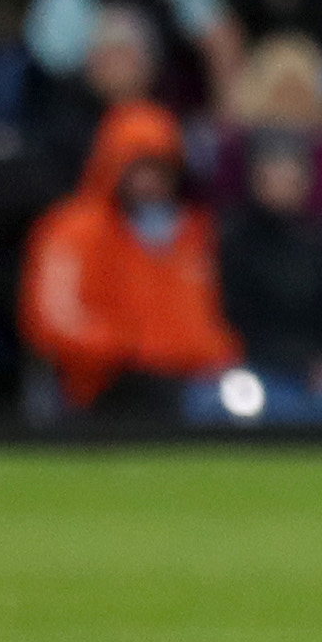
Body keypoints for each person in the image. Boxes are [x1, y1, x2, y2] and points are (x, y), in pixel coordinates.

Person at [20, 99, 241, 413]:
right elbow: (52, 320)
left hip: (182, 377)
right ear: (113, 165)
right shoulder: (71, 231)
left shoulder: (192, 233)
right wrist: (132, 346)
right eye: (138, 168)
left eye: (160, 168)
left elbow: (205, 318)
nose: (149, 181)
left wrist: (216, 355)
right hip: (99, 381)